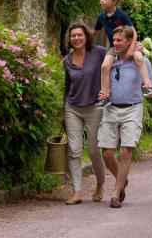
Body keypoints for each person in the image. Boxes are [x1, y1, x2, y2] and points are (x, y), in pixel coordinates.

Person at [97, 25, 152, 208]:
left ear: (130, 42)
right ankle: (121, 180)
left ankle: (115, 193)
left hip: (132, 108)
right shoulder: (110, 60)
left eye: (119, 41)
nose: (115, 44)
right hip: (111, 108)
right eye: (114, 40)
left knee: (125, 150)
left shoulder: (141, 62)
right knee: (107, 153)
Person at [62, 23, 106, 205]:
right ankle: (77, 191)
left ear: (86, 37)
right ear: (70, 39)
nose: (77, 38)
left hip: (95, 107)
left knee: (95, 151)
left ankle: (100, 184)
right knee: (74, 151)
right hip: (72, 108)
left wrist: (135, 45)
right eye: (73, 36)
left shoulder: (99, 52)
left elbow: (118, 52)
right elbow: (67, 86)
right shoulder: (67, 60)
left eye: (80, 35)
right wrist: (63, 111)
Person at [95, 0, 152, 99]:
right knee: (104, 66)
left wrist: (132, 48)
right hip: (114, 47)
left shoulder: (122, 14)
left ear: (115, 1)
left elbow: (134, 33)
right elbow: (93, 33)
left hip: (128, 44)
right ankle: (104, 95)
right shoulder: (101, 17)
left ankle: (148, 86)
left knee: (138, 58)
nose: (101, 1)